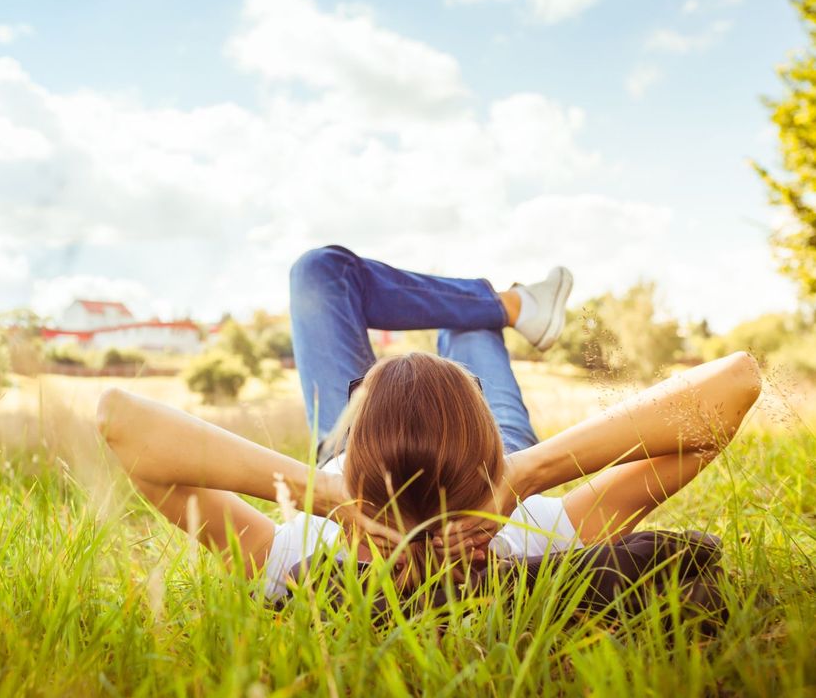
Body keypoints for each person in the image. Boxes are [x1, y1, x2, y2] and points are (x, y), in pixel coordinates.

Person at [97, 246, 762, 600]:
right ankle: (498, 311)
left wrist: (324, 495)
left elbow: (122, 422)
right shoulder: (536, 530)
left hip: (383, 469)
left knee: (319, 272)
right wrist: (524, 475)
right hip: (479, 462)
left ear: (353, 425)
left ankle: (503, 306)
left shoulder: (300, 552)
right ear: (489, 442)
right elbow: (732, 388)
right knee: (466, 332)